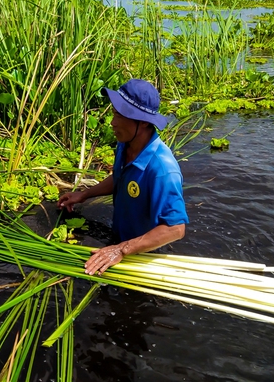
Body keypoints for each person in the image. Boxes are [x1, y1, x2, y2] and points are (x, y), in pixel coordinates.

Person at [57, 78, 188, 276]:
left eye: (120, 115)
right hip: (120, 240)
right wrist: (84, 195)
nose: (113, 122)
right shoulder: (125, 144)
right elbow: (121, 178)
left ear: (143, 122)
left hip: (141, 255)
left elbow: (175, 229)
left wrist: (121, 249)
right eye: (113, 113)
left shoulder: (162, 170)